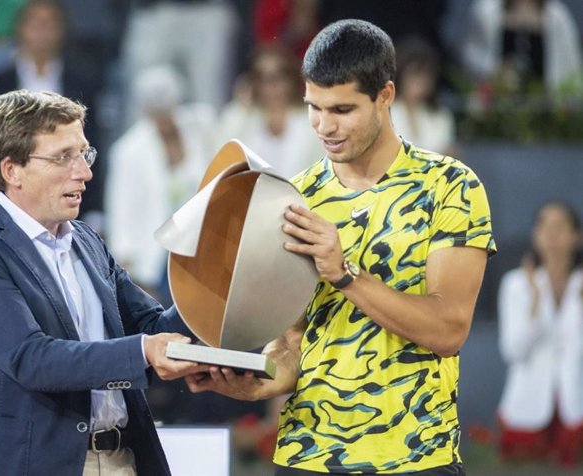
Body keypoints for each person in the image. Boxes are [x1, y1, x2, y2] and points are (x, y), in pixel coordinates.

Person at [186, 19, 497, 475]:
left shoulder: (450, 186)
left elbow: (448, 330)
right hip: (305, 456)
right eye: (314, 107)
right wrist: (259, 383)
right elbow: (292, 341)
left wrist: (345, 274)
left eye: (342, 110)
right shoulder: (295, 197)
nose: (324, 127)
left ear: (385, 96)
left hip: (415, 458)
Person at [0, 89, 205, 475]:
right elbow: (31, 359)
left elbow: (153, 328)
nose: (83, 172)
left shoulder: (85, 240)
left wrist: (214, 280)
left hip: (123, 460)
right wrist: (143, 351)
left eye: (83, 154)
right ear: (11, 170)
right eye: (63, 157)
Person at [0, 0, 101, 220]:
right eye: (35, 23)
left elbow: (91, 146)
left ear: (63, 30)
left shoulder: (82, 83)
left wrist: (94, 210)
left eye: (50, 24)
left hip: (68, 203)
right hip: (9, 202)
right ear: (19, 28)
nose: (42, 31)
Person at [105, 64, 214, 307]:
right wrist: (128, 268)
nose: (163, 116)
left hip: (201, 246)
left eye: (167, 108)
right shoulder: (128, 150)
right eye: (156, 110)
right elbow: (120, 210)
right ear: (144, 109)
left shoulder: (200, 128)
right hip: (156, 254)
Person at [497, 201, 583, 468]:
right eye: (544, 226)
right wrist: (535, 303)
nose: (551, 235)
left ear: (576, 236)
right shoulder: (517, 284)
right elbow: (513, 351)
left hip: (575, 407)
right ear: (535, 235)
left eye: (559, 227)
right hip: (529, 408)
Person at [216, 44, 324, 178]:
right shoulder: (241, 118)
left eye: (278, 76)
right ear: (254, 83)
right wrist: (242, 108)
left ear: (292, 80)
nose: (271, 85)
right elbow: (223, 163)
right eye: (262, 78)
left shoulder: (312, 120)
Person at [461, 0, 583, 97]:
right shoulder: (485, 11)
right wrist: (496, 73)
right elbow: (471, 58)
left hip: (546, 110)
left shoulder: (558, 16)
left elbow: (571, 68)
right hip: (496, 108)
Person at [391, 36, 456, 157]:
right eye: (414, 75)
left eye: (426, 77)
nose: (420, 82)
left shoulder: (440, 116)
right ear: (401, 76)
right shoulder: (386, 113)